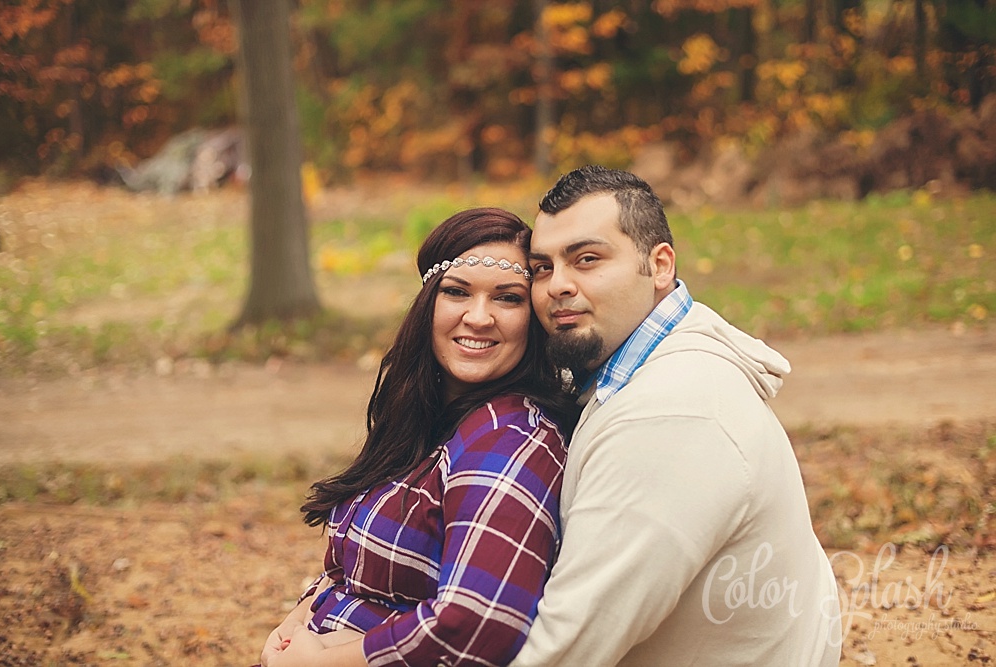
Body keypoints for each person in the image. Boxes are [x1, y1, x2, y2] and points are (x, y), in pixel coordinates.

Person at [509, 165, 842, 666]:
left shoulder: (672, 415)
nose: (558, 285)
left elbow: (568, 649)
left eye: (587, 259)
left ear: (660, 265)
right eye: (542, 267)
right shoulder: (640, 363)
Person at [259, 208, 578, 667]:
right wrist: (291, 626)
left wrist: (320, 663)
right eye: (457, 292)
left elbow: (477, 623)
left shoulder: (508, 438)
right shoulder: (422, 421)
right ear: (428, 302)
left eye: (507, 298)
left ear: (533, 319)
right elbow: (347, 571)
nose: (479, 317)